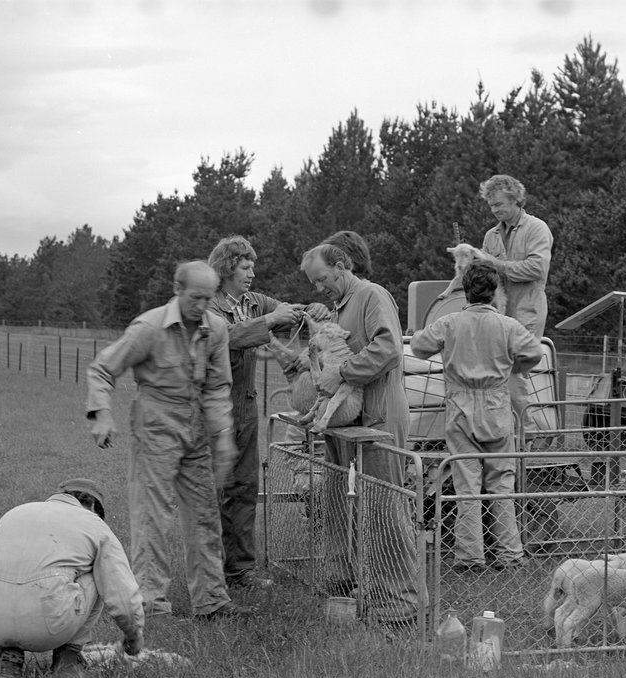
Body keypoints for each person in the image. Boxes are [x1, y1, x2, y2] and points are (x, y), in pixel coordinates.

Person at [86, 260, 250, 621]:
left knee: (206, 514)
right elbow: (103, 368)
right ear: (177, 290)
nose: (202, 306)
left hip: (196, 429)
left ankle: (212, 602)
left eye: (209, 298)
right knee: (153, 516)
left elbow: (219, 386)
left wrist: (223, 435)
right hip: (156, 423)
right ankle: (151, 604)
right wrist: (102, 412)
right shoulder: (149, 327)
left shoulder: (217, 329)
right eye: (195, 297)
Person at [300, 236, 425, 627]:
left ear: (342, 266)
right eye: (314, 283)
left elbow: (388, 350)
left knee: (385, 507)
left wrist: (342, 372)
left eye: (323, 279)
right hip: (349, 419)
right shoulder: (339, 307)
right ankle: (358, 583)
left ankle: (401, 602)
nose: (320, 288)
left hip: (380, 417)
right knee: (349, 502)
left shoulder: (372, 296)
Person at [411, 262, 543, 571]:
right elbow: (534, 353)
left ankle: (470, 557)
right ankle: (509, 555)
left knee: (466, 487)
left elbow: (418, 347)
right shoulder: (508, 326)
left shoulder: (450, 322)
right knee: (501, 484)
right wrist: (515, 369)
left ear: (464, 291)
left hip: (460, 407)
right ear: (496, 292)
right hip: (497, 406)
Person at [0, 478, 144, 678]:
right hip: (46, 624)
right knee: (101, 574)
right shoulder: (94, 524)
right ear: (92, 507)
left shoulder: (15, 513)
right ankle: (68, 659)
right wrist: (134, 638)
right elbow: (123, 598)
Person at [206, 235, 308, 590]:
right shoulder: (211, 304)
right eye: (245, 266)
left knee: (246, 486)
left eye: (253, 266)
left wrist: (308, 311)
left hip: (247, 405)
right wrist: (269, 322)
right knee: (214, 489)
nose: (251, 272)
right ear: (228, 267)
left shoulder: (255, 302)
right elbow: (228, 337)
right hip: (215, 408)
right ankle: (210, 569)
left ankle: (241, 569)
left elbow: (284, 313)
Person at [470, 174, 553, 437]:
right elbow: (486, 277)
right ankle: (506, 431)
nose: (494, 210)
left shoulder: (537, 229)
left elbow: (537, 268)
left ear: (516, 199)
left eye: (499, 204)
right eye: (491, 205)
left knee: (513, 371)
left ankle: (526, 433)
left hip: (527, 314)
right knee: (499, 373)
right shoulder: (491, 236)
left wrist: (495, 265)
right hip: (497, 315)